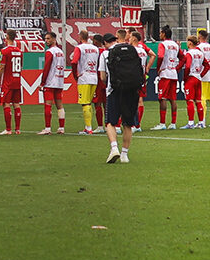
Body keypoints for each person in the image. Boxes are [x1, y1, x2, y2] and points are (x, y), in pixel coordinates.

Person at [103, 27, 144, 164]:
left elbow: (103, 76)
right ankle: (125, 154)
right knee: (128, 124)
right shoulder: (134, 51)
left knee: (110, 122)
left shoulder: (106, 53)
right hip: (131, 89)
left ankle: (114, 148)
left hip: (114, 90)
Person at [151, 27, 181, 130]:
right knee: (173, 99)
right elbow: (183, 58)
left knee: (162, 98)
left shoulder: (162, 44)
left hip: (165, 73)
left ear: (164, 34)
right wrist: (177, 68)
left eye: (160, 33)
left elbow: (160, 56)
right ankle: (173, 123)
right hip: (173, 73)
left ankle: (162, 123)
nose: (159, 34)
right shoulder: (175, 45)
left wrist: (159, 68)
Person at [38, 31, 67, 135]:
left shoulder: (50, 52)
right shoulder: (61, 52)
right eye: (45, 39)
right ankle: (61, 128)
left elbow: (46, 67)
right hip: (59, 81)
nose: (46, 41)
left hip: (50, 82)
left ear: (54, 39)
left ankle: (47, 128)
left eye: (48, 39)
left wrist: (42, 82)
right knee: (60, 105)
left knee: (48, 104)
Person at [71, 31, 100, 135]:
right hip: (94, 77)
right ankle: (88, 127)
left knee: (85, 103)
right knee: (90, 102)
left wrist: (75, 74)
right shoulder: (95, 49)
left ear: (80, 37)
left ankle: (88, 128)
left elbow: (74, 62)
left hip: (84, 77)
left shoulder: (79, 48)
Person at [0, 30, 24, 135]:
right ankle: (17, 129)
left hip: (8, 81)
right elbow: (20, 66)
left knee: (6, 104)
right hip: (17, 80)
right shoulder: (19, 51)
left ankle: (8, 129)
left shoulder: (5, 51)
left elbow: (2, 67)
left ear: (7, 37)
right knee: (16, 104)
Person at [194, 30, 210, 127]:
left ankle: (202, 121)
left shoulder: (198, 48)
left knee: (202, 98)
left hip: (203, 75)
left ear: (199, 37)